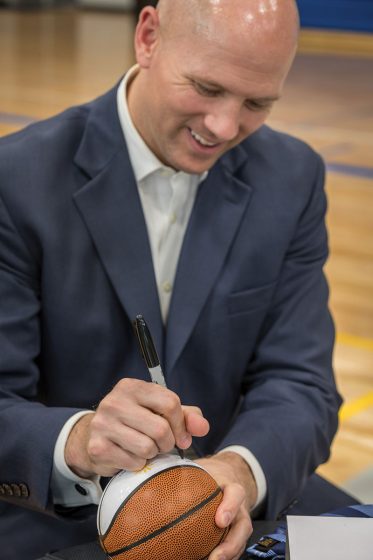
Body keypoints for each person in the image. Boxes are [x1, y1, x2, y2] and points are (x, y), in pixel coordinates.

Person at [0, 1, 344, 559]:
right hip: (57, 519)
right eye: (207, 88)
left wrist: (237, 472)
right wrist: (81, 442)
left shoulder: (293, 177)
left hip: (231, 505)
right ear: (149, 37)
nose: (225, 128)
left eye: (257, 103)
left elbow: (302, 384)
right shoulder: (16, 181)